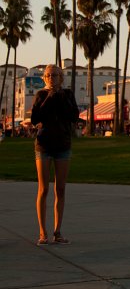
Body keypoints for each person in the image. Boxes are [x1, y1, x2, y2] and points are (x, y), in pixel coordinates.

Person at [31, 64, 79, 246]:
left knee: (60, 189)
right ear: (44, 78)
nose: (52, 78)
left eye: (56, 75)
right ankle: (43, 232)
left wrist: (60, 96)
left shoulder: (67, 95)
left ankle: (57, 232)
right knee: (43, 189)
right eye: (49, 75)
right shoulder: (41, 95)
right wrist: (50, 96)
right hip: (43, 146)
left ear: (62, 78)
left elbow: (73, 115)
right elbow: (36, 117)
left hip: (63, 145)